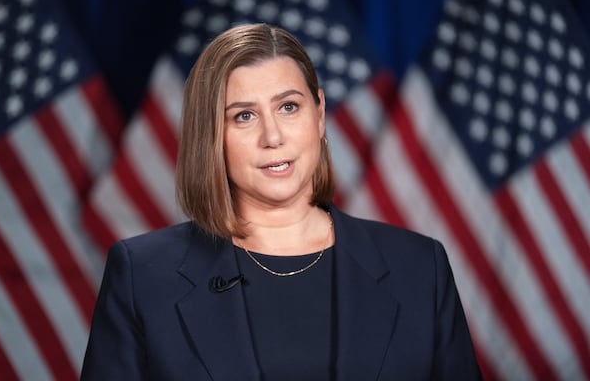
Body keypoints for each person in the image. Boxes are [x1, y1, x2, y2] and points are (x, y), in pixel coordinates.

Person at [81, 23, 482, 380]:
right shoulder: (143, 277)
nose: (272, 136)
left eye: (288, 107)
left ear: (319, 114)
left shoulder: (418, 267)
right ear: (210, 136)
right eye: (244, 116)